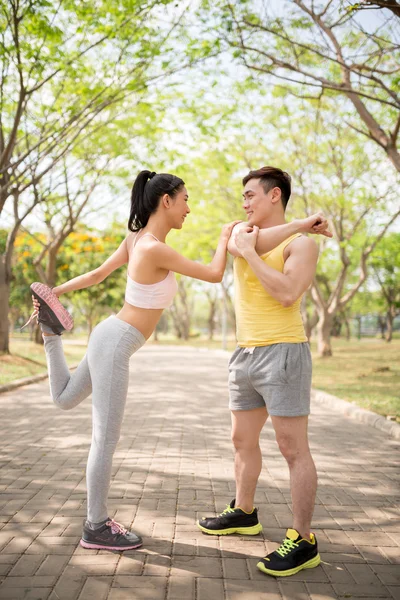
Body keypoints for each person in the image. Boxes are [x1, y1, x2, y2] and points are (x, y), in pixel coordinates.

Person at [30, 169, 330, 553]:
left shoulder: (137, 238)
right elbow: (213, 272)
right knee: (104, 437)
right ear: (167, 201)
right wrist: (225, 239)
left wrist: (52, 293)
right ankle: (96, 525)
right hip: (117, 340)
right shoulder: (154, 246)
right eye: (185, 199)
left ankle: (51, 334)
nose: (190, 208)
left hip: (109, 334)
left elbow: (98, 273)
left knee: (64, 398)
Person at [197, 166, 332, 578]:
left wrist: (257, 254)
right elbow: (243, 242)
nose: (244, 203)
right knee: (241, 439)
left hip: (284, 352)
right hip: (245, 353)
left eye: (251, 195)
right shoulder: (242, 231)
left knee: (293, 450)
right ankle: (244, 512)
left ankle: (303, 540)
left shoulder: (303, 246)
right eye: (243, 197)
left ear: (275, 196)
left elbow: (288, 293)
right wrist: (296, 223)